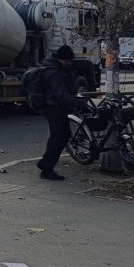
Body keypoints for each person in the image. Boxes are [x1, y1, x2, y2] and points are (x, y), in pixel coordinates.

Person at [35, 45, 85, 181]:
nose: (69, 63)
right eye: (68, 61)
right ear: (61, 59)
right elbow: (61, 94)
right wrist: (78, 104)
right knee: (58, 138)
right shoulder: (54, 72)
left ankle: (45, 163)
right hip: (54, 108)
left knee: (62, 136)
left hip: (57, 108)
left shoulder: (57, 68)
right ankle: (46, 169)